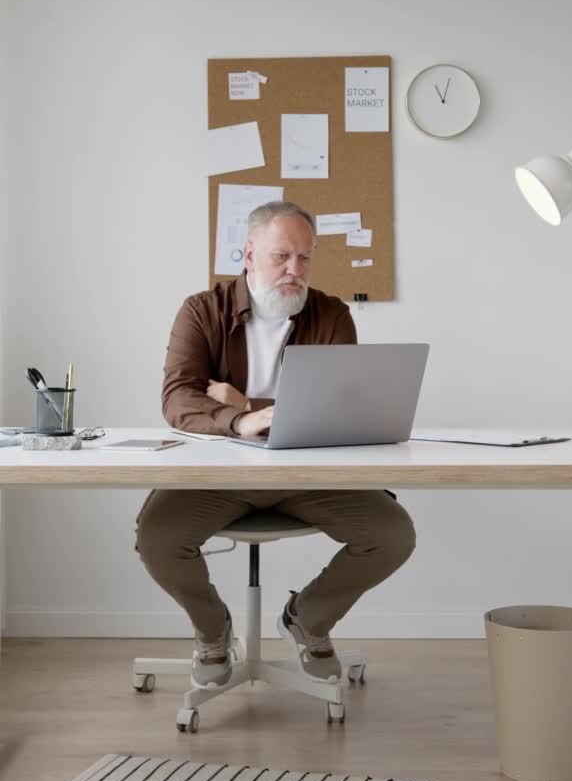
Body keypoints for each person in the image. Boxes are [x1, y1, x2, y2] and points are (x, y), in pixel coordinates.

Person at [136, 201, 416, 688]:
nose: (295, 269)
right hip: (219, 476)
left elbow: (335, 406)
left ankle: (308, 619)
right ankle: (213, 631)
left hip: (305, 475)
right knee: (157, 537)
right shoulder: (202, 311)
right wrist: (239, 421)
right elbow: (177, 398)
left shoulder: (331, 315)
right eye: (280, 256)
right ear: (248, 254)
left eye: (305, 257)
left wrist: (240, 403)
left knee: (393, 535)